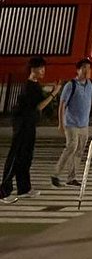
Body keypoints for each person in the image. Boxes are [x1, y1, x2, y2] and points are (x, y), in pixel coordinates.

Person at [0, 57, 61, 203]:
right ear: (33, 69)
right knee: (15, 158)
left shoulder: (35, 85)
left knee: (26, 158)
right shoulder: (28, 86)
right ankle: (3, 191)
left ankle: (24, 189)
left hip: (30, 125)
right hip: (22, 126)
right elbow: (38, 107)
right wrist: (54, 93)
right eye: (41, 68)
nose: (43, 71)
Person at [52, 57, 92, 188]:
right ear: (78, 70)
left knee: (79, 150)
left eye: (89, 68)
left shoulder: (90, 84)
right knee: (71, 147)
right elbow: (62, 105)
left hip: (83, 124)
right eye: (84, 68)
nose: (86, 71)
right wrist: (61, 124)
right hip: (71, 123)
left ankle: (72, 177)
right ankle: (56, 174)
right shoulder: (71, 85)